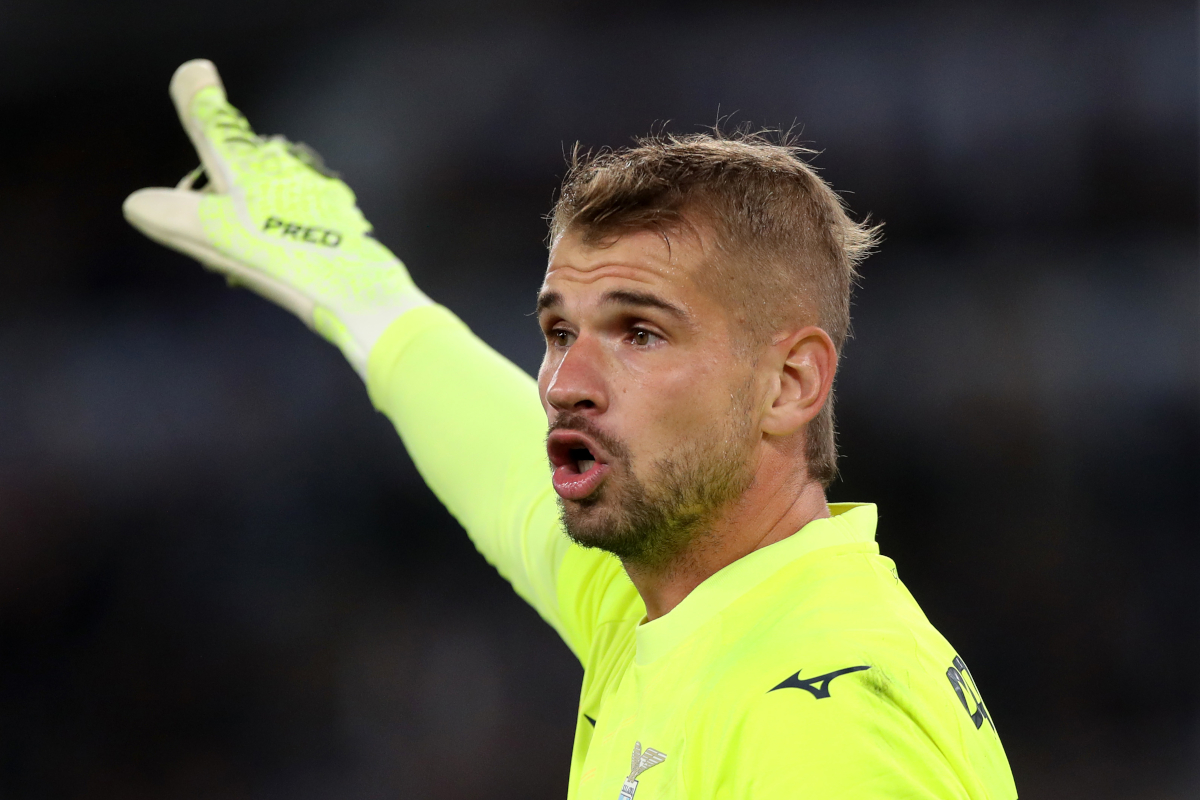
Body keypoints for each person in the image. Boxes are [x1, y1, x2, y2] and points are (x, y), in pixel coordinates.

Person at [125, 59, 1018, 799]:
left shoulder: (813, 714)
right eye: (558, 331)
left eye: (639, 332)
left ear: (789, 384)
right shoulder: (673, 601)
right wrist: (361, 290)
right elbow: (497, 460)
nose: (563, 384)